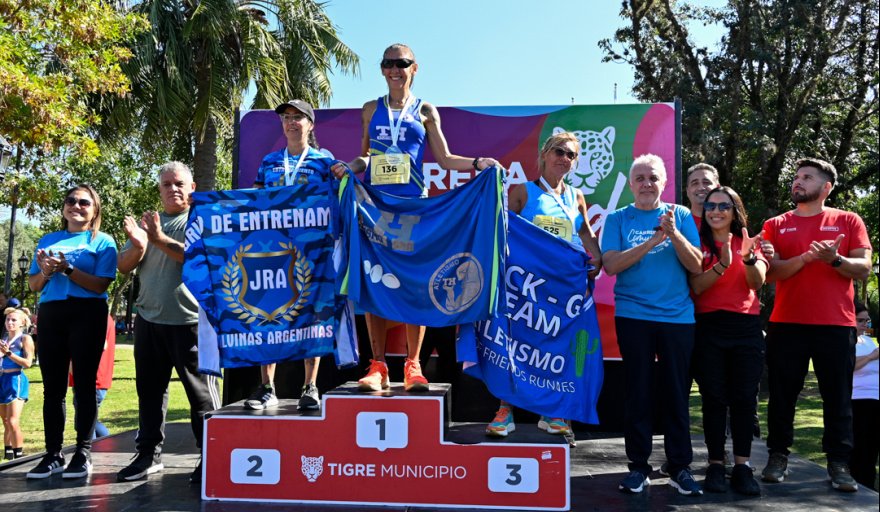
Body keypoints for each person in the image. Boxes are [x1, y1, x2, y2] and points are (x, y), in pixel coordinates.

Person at [331, 43, 498, 392]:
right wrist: (349, 167)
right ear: (382, 69)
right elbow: (364, 158)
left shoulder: (426, 111)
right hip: (375, 207)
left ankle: (413, 363)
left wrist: (479, 163)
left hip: (413, 208)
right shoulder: (369, 109)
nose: (395, 69)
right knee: (372, 280)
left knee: (414, 282)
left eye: (402, 63)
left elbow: (447, 158)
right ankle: (377, 365)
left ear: (415, 68)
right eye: (388, 64)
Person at [760, 157, 871, 493]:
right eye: (796, 177)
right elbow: (771, 274)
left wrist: (834, 260)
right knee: (782, 396)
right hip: (786, 323)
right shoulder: (775, 224)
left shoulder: (848, 220)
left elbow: (864, 268)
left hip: (835, 325)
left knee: (838, 398)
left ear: (826, 187)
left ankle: (839, 463)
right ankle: (777, 455)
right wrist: (807, 259)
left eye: (806, 177)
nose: (798, 182)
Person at [485, 131, 601, 438]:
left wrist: (597, 258)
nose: (564, 159)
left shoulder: (576, 196)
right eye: (559, 152)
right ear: (545, 154)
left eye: (571, 155)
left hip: (563, 288)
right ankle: (505, 409)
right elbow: (506, 234)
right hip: (527, 287)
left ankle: (552, 413)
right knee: (518, 345)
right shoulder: (522, 191)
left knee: (556, 347)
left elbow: (586, 233)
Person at [600, 154, 703, 495]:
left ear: (664, 183)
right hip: (633, 316)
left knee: (676, 393)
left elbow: (697, 265)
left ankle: (679, 466)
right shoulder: (617, 218)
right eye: (640, 178)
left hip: (677, 319)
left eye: (653, 178)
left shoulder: (681, 215)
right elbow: (611, 265)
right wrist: (650, 242)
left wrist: (672, 233)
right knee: (639, 393)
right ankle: (639, 467)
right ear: (631, 184)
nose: (647, 184)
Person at [116, 162, 221, 483]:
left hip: (191, 322)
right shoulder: (149, 224)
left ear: (191, 187)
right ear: (159, 189)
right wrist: (138, 245)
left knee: (201, 397)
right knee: (149, 393)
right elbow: (123, 266)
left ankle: (213, 459)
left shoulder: (202, 218)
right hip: (148, 321)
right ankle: (148, 455)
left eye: (179, 183)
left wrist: (158, 238)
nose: (173, 188)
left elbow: (196, 257)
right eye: (166, 184)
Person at [243, 99, 333, 411]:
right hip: (272, 253)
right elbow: (253, 201)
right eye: (286, 118)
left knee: (311, 317)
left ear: (310, 124)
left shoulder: (323, 162)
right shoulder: (269, 161)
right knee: (268, 315)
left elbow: (335, 205)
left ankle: (310, 387)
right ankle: (267, 388)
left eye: (298, 118)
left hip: (311, 253)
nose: (291, 123)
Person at [25, 185, 118, 479]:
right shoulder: (49, 239)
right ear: (63, 207)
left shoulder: (103, 242)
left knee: (85, 385)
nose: (76, 206)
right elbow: (34, 285)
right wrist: (48, 271)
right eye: (70, 201)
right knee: (52, 388)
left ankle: (82, 452)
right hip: (52, 312)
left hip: (87, 313)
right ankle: (53, 454)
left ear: (94, 210)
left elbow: (101, 285)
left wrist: (66, 269)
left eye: (84, 202)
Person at [689, 187, 766, 495]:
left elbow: (757, 282)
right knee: (714, 398)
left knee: (745, 400)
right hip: (708, 326)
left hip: (745, 327)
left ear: (735, 211)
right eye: (711, 205)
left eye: (724, 205)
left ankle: (743, 467)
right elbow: (696, 286)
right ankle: (716, 464)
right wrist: (721, 263)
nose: (716, 210)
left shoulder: (748, 242)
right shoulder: (696, 242)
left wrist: (747, 258)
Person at [69, 314, 115, 439]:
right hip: (91, 379)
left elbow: (100, 344)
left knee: (84, 423)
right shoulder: (99, 315)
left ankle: (91, 452)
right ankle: (106, 443)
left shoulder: (97, 316)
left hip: (91, 379)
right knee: (89, 420)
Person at [850, 302, 878, 489]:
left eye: (867, 321)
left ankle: (868, 484)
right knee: (858, 444)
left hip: (875, 399)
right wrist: (871, 357)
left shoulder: (868, 341)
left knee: (872, 446)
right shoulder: (846, 341)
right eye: (860, 320)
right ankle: (855, 480)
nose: (864, 324)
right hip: (857, 399)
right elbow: (847, 365)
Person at [1, 307, 34, 460]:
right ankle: (8, 452)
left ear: (22, 322)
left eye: (14, 320)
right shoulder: (3, 339)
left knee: (13, 421)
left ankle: (19, 455)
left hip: (16, 379)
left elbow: (28, 363)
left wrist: (9, 353)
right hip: (2, 380)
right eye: (8, 319)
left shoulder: (25, 339)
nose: (10, 322)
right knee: (6, 421)